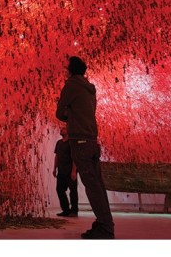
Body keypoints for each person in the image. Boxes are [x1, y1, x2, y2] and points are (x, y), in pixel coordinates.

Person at [56, 56, 115, 239]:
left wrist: (70, 117)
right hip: (91, 140)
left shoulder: (71, 85)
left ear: (71, 69)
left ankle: (105, 227)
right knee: (98, 185)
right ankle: (105, 222)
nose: (64, 70)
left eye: (66, 67)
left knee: (91, 186)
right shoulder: (90, 89)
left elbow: (59, 112)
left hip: (79, 142)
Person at [53, 125, 78, 217]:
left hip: (70, 171)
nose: (61, 130)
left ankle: (74, 211)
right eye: (61, 129)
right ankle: (66, 210)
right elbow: (57, 156)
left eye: (63, 129)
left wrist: (74, 171)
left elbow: (75, 157)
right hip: (61, 171)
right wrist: (54, 168)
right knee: (59, 190)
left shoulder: (71, 143)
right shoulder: (59, 143)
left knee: (73, 191)